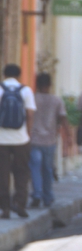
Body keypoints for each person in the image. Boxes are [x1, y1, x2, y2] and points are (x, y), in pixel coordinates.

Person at [0, 64, 36, 219]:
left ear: (4, 75)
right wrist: (27, 132)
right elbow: (30, 114)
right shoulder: (26, 90)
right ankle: (19, 203)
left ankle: (5, 209)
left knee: (2, 173)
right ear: (19, 75)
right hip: (21, 139)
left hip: (1, 139)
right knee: (22, 172)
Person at [29, 73, 69, 208]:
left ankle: (37, 194)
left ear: (37, 84)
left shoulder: (32, 98)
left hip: (33, 140)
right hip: (50, 140)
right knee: (47, 169)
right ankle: (48, 196)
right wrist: (68, 137)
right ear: (50, 85)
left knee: (34, 168)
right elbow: (63, 119)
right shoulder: (56, 100)